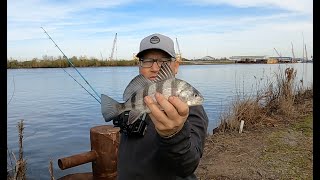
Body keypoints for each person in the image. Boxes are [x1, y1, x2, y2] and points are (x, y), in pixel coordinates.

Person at [116, 33, 209, 180]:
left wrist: (174, 135)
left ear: (176, 66)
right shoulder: (138, 99)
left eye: (163, 61)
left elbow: (188, 165)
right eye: (147, 61)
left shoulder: (190, 108)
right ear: (139, 65)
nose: (154, 68)